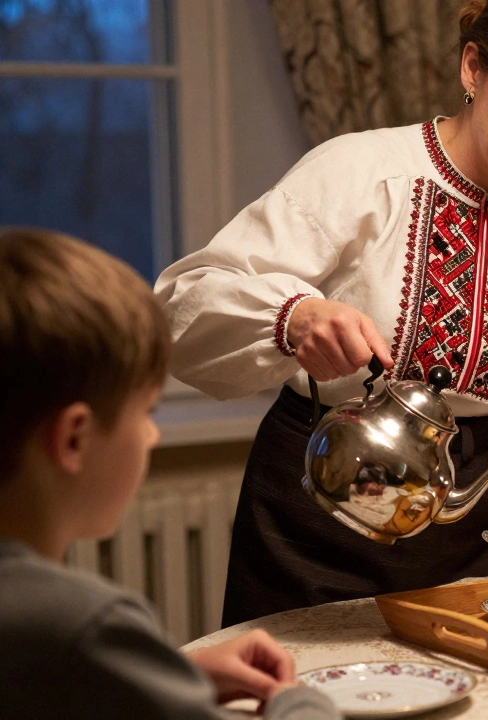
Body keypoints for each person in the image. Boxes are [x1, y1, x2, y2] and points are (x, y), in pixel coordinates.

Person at [155, 0, 488, 626]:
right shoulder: (358, 175)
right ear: (473, 68)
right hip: (320, 507)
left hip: (474, 526)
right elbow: (186, 304)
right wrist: (294, 319)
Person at [0, 228, 339, 719]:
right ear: (73, 438)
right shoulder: (85, 625)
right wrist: (300, 699)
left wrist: (176, 675)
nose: (152, 437)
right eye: (146, 413)